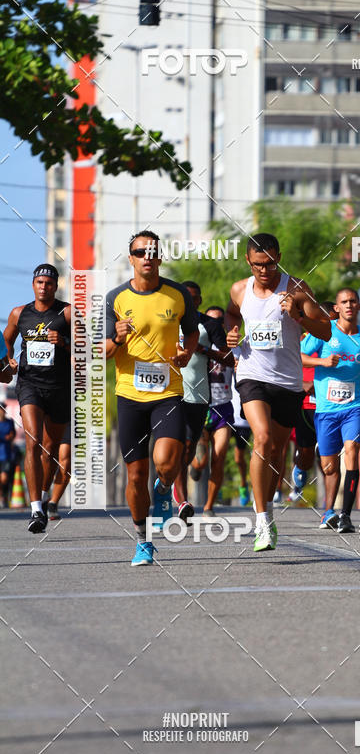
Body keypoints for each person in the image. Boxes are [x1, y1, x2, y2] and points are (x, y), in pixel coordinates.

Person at [225, 232, 331, 552]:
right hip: (251, 374)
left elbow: (326, 330)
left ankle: (268, 510)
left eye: (271, 264)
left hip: (287, 381)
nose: (264, 270)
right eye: (258, 264)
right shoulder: (240, 290)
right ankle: (261, 520)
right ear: (248, 261)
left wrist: (298, 316)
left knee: (277, 451)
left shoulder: (297, 289)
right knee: (262, 438)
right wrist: (231, 332)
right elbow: (232, 314)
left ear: (279, 258)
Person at [105, 231, 199, 566]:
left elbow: (192, 331)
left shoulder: (177, 294)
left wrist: (187, 352)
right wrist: (117, 338)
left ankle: (163, 489)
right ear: (130, 258)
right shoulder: (115, 299)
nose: (147, 256)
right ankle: (143, 542)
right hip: (130, 395)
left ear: (160, 257)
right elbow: (102, 351)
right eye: (140, 251)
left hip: (167, 393)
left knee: (167, 463)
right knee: (135, 475)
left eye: (152, 251)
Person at [301, 288, 360, 532]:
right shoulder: (324, 331)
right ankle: (328, 512)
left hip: (356, 405)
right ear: (336, 308)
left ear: (359, 306)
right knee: (329, 467)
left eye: (352, 301)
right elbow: (298, 355)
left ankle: (345, 515)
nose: (348, 305)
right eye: (344, 302)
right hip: (326, 408)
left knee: (352, 450)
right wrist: (322, 361)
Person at [4, 264, 71, 533]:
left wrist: (63, 341)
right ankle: (35, 510)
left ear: (56, 286)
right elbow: (6, 340)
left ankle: (42, 497)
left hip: (60, 387)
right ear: (33, 285)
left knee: (50, 448)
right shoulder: (19, 313)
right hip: (29, 384)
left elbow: (87, 347)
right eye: (40, 282)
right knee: (32, 441)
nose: (44, 287)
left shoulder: (68, 313)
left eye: (49, 283)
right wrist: (8, 360)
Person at [172, 282, 228, 522]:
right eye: (184, 296)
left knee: (189, 449)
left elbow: (229, 358)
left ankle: (173, 481)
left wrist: (202, 350)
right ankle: (183, 501)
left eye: (193, 297)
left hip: (199, 395)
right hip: (171, 393)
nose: (189, 301)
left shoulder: (210, 325)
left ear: (199, 300)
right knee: (178, 446)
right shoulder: (168, 321)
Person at [289, 300, 336, 502]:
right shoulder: (304, 339)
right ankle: (301, 466)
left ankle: (329, 503)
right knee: (307, 453)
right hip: (307, 403)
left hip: (332, 402)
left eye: (336, 321)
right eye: (330, 321)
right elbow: (288, 364)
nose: (333, 325)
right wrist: (303, 382)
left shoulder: (341, 339)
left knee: (329, 454)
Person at [202, 305, 235, 516]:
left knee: (219, 456)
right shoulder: (196, 342)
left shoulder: (232, 347)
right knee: (200, 460)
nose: (214, 325)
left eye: (219, 321)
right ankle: (196, 468)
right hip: (200, 406)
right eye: (209, 321)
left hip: (223, 407)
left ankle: (209, 506)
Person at [231, 372, 251, 506]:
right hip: (227, 417)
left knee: (239, 458)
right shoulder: (227, 365)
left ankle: (243, 484)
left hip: (243, 421)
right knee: (218, 454)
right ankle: (217, 486)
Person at [47, 421, 71, 520]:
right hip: (46, 416)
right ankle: (41, 499)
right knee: (47, 455)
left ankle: (52, 503)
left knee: (65, 462)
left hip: (71, 417)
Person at [0, 406, 16, 508]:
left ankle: (3, 496)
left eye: (3, 409)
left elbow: (12, 435)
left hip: (6, 455)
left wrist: (9, 436)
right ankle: (2, 496)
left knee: (4, 478)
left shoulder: (10, 422)